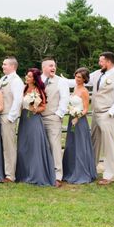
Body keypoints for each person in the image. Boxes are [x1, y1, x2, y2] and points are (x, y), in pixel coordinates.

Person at [89, 51, 114, 185]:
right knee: (94, 142)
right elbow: (83, 78)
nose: (99, 63)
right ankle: (91, 171)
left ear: (108, 61)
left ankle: (109, 175)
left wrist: (111, 113)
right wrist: (62, 81)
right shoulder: (98, 73)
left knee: (108, 145)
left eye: (101, 61)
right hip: (95, 112)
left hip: (107, 113)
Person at [15, 68, 55, 186]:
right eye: (26, 76)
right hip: (24, 120)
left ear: (34, 79)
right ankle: (24, 174)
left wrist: (35, 109)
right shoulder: (24, 88)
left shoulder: (39, 90)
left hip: (33, 120)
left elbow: (43, 106)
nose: (27, 78)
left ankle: (36, 174)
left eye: (29, 76)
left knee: (34, 147)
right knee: (23, 147)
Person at [62, 67, 97, 184]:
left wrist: (77, 117)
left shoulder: (84, 91)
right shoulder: (75, 88)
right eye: (76, 76)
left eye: (79, 77)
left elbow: (86, 109)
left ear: (84, 79)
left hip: (80, 121)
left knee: (80, 145)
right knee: (72, 145)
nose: (77, 79)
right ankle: (71, 171)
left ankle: (81, 172)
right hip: (72, 119)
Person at [40, 58, 70, 187]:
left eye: (55, 66)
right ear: (44, 68)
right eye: (51, 65)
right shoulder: (38, 80)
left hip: (53, 118)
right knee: (40, 146)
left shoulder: (61, 81)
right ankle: (42, 173)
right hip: (37, 119)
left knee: (55, 146)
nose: (54, 68)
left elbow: (64, 99)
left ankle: (57, 176)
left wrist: (58, 115)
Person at [0, 56, 24, 183]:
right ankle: (2, 171)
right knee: (1, 145)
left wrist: (11, 117)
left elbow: (18, 100)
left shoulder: (16, 80)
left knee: (9, 146)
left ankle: (10, 175)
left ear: (12, 66)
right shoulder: (3, 79)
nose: (2, 66)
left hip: (7, 116)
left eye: (5, 64)